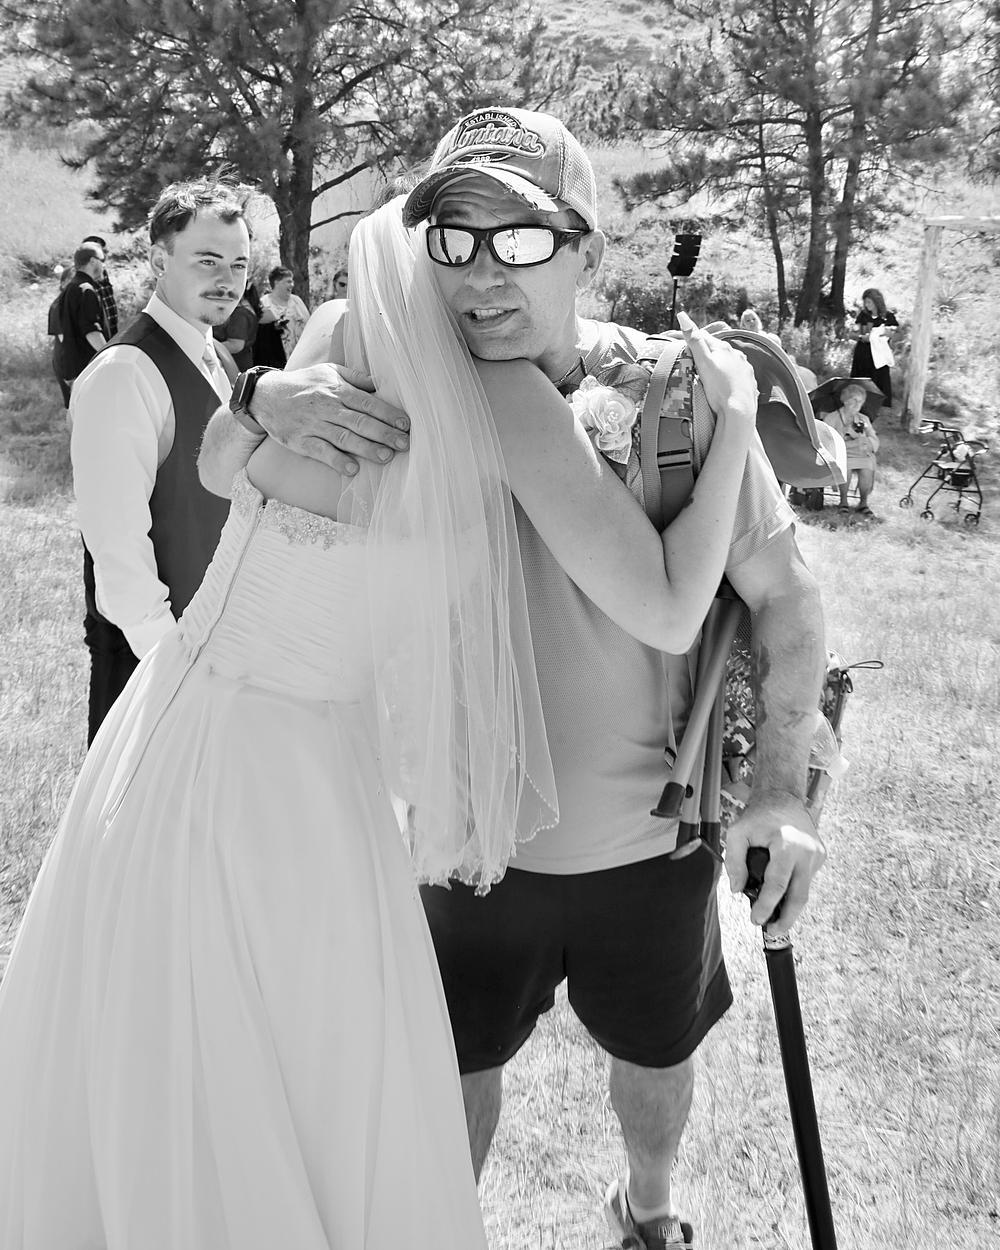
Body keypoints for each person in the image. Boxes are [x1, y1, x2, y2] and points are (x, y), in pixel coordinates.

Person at [0, 190, 762, 1247]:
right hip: (292, 771)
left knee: (164, 1017)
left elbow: (220, 473)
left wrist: (259, 396)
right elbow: (674, 607)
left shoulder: (328, 341)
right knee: (289, 1054)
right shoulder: (497, 404)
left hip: (175, 716)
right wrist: (738, 420)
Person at [197, 106, 828, 1250]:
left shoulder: (679, 395)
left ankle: (646, 1206)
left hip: (650, 843)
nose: (484, 271)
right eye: (456, 237)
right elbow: (230, 478)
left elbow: (783, 592)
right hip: (456, 835)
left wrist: (782, 792)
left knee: (656, 1059)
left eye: (524, 237)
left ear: (588, 250)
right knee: (448, 1068)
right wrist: (259, 394)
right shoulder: (387, 382)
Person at [69, 176, 245, 744]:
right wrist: (171, 664)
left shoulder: (220, 361)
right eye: (208, 260)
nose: (227, 280)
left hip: (222, 654)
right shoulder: (124, 373)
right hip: (155, 663)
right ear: (158, 260)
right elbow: (117, 549)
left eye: (239, 265)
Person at [821, 381, 880, 518]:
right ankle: (843, 502)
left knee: (867, 468)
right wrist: (843, 436)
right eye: (854, 401)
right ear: (845, 401)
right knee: (845, 466)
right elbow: (825, 440)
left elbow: (874, 439)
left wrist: (865, 439)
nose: (858, 405)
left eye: (861, 401)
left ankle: (863, 503)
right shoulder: (832, 418)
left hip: (860, 453)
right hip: (841, 454)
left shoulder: (863, 419)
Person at [59, 243, 109, 391]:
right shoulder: (86, 290)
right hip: (88, 372)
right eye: (102, 260)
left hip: (74, 370)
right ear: (93, 261)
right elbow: (91, 331)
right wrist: (110, 358)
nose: (104, 266)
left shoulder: (70, 288)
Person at [849, 287, 898, 410]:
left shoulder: (888, 316)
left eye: (869, 302)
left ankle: (878, 405)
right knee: (861, 379)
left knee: (879, 379)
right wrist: (862, 337)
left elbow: (895, 333)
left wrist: (885, 333)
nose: (867, 305)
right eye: (865, 302)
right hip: (863, 353)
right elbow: (853, 333)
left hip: (879, 355)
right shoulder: (863, 316)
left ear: (877, 301)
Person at [260, 265, 310, 358]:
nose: (292, 284)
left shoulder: (297, 301)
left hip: (301, 355)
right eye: (288, 281)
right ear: (277, 282)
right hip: (275, 357)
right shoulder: (264, 303)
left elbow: (309, 325)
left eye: (292, 281)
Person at [81, 233, 120, 339]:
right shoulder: (83, 276)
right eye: (102, 251)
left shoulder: (103, 271)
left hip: (111, 327)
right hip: (98, 331)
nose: (105, 254)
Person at [47, 261, 74, 407]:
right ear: (63, 283)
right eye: (71, 279)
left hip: (77, 362)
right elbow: (67, 341)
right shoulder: (59, 306)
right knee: (73, 408)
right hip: (67, 363)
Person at [213, 282, 260, 370]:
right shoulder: (244, 310)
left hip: (232, 364)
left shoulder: (239, 314)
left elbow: (235, 345)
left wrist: (209, 348)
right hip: (240, 361)